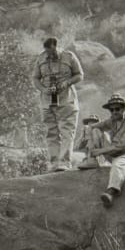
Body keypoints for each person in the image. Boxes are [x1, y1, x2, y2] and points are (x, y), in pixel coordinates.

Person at [33, 37, 84, 171]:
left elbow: (79, 75)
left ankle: (64, 163)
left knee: (67, 131)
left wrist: (67, 82)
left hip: (66, 99)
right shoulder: (41, 58)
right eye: (47, 52)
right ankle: (54, 163)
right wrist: (43, 89)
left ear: (56, 46)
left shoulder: (69, 56)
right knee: (51, 132)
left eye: (52, 52)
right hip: (47, 101)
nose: (50, 55)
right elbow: (35, 78)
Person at [82, 94, 125, 208]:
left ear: (123, 109)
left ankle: (111, 192)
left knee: (119, 164)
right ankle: (91, 160)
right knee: (95, 130)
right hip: (112, 152)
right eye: (111, 109)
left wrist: (100, 151)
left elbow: (122, 146)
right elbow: (94, 126)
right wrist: (87, 129)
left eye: (117, 109)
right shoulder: (111, 120)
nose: (114, 112)